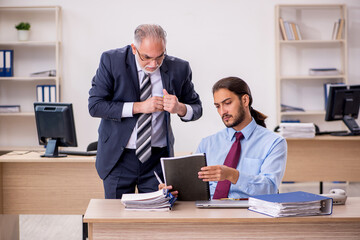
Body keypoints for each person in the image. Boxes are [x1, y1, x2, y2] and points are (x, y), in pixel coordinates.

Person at [88, 24, 202, 199]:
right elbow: (95, 105)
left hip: (155, 160)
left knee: (155, 217)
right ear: (134, 49)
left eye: (160, 57)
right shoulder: (112, 61)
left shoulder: (179, 68)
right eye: (147, 57)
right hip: (118, 158)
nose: (153, 64)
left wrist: (179, 108)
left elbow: (197, 109)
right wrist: (139, 107)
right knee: (115, 218)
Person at [196, 76, 287, 199]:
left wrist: (232, 175)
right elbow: (194, 185)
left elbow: (270, 189)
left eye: (227, 103)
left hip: (250, 212)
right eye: (217, 106)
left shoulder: (273, 142)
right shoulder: (206, 144)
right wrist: (174, 189)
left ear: (245, 100)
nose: (222, 111)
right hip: (209, 212)